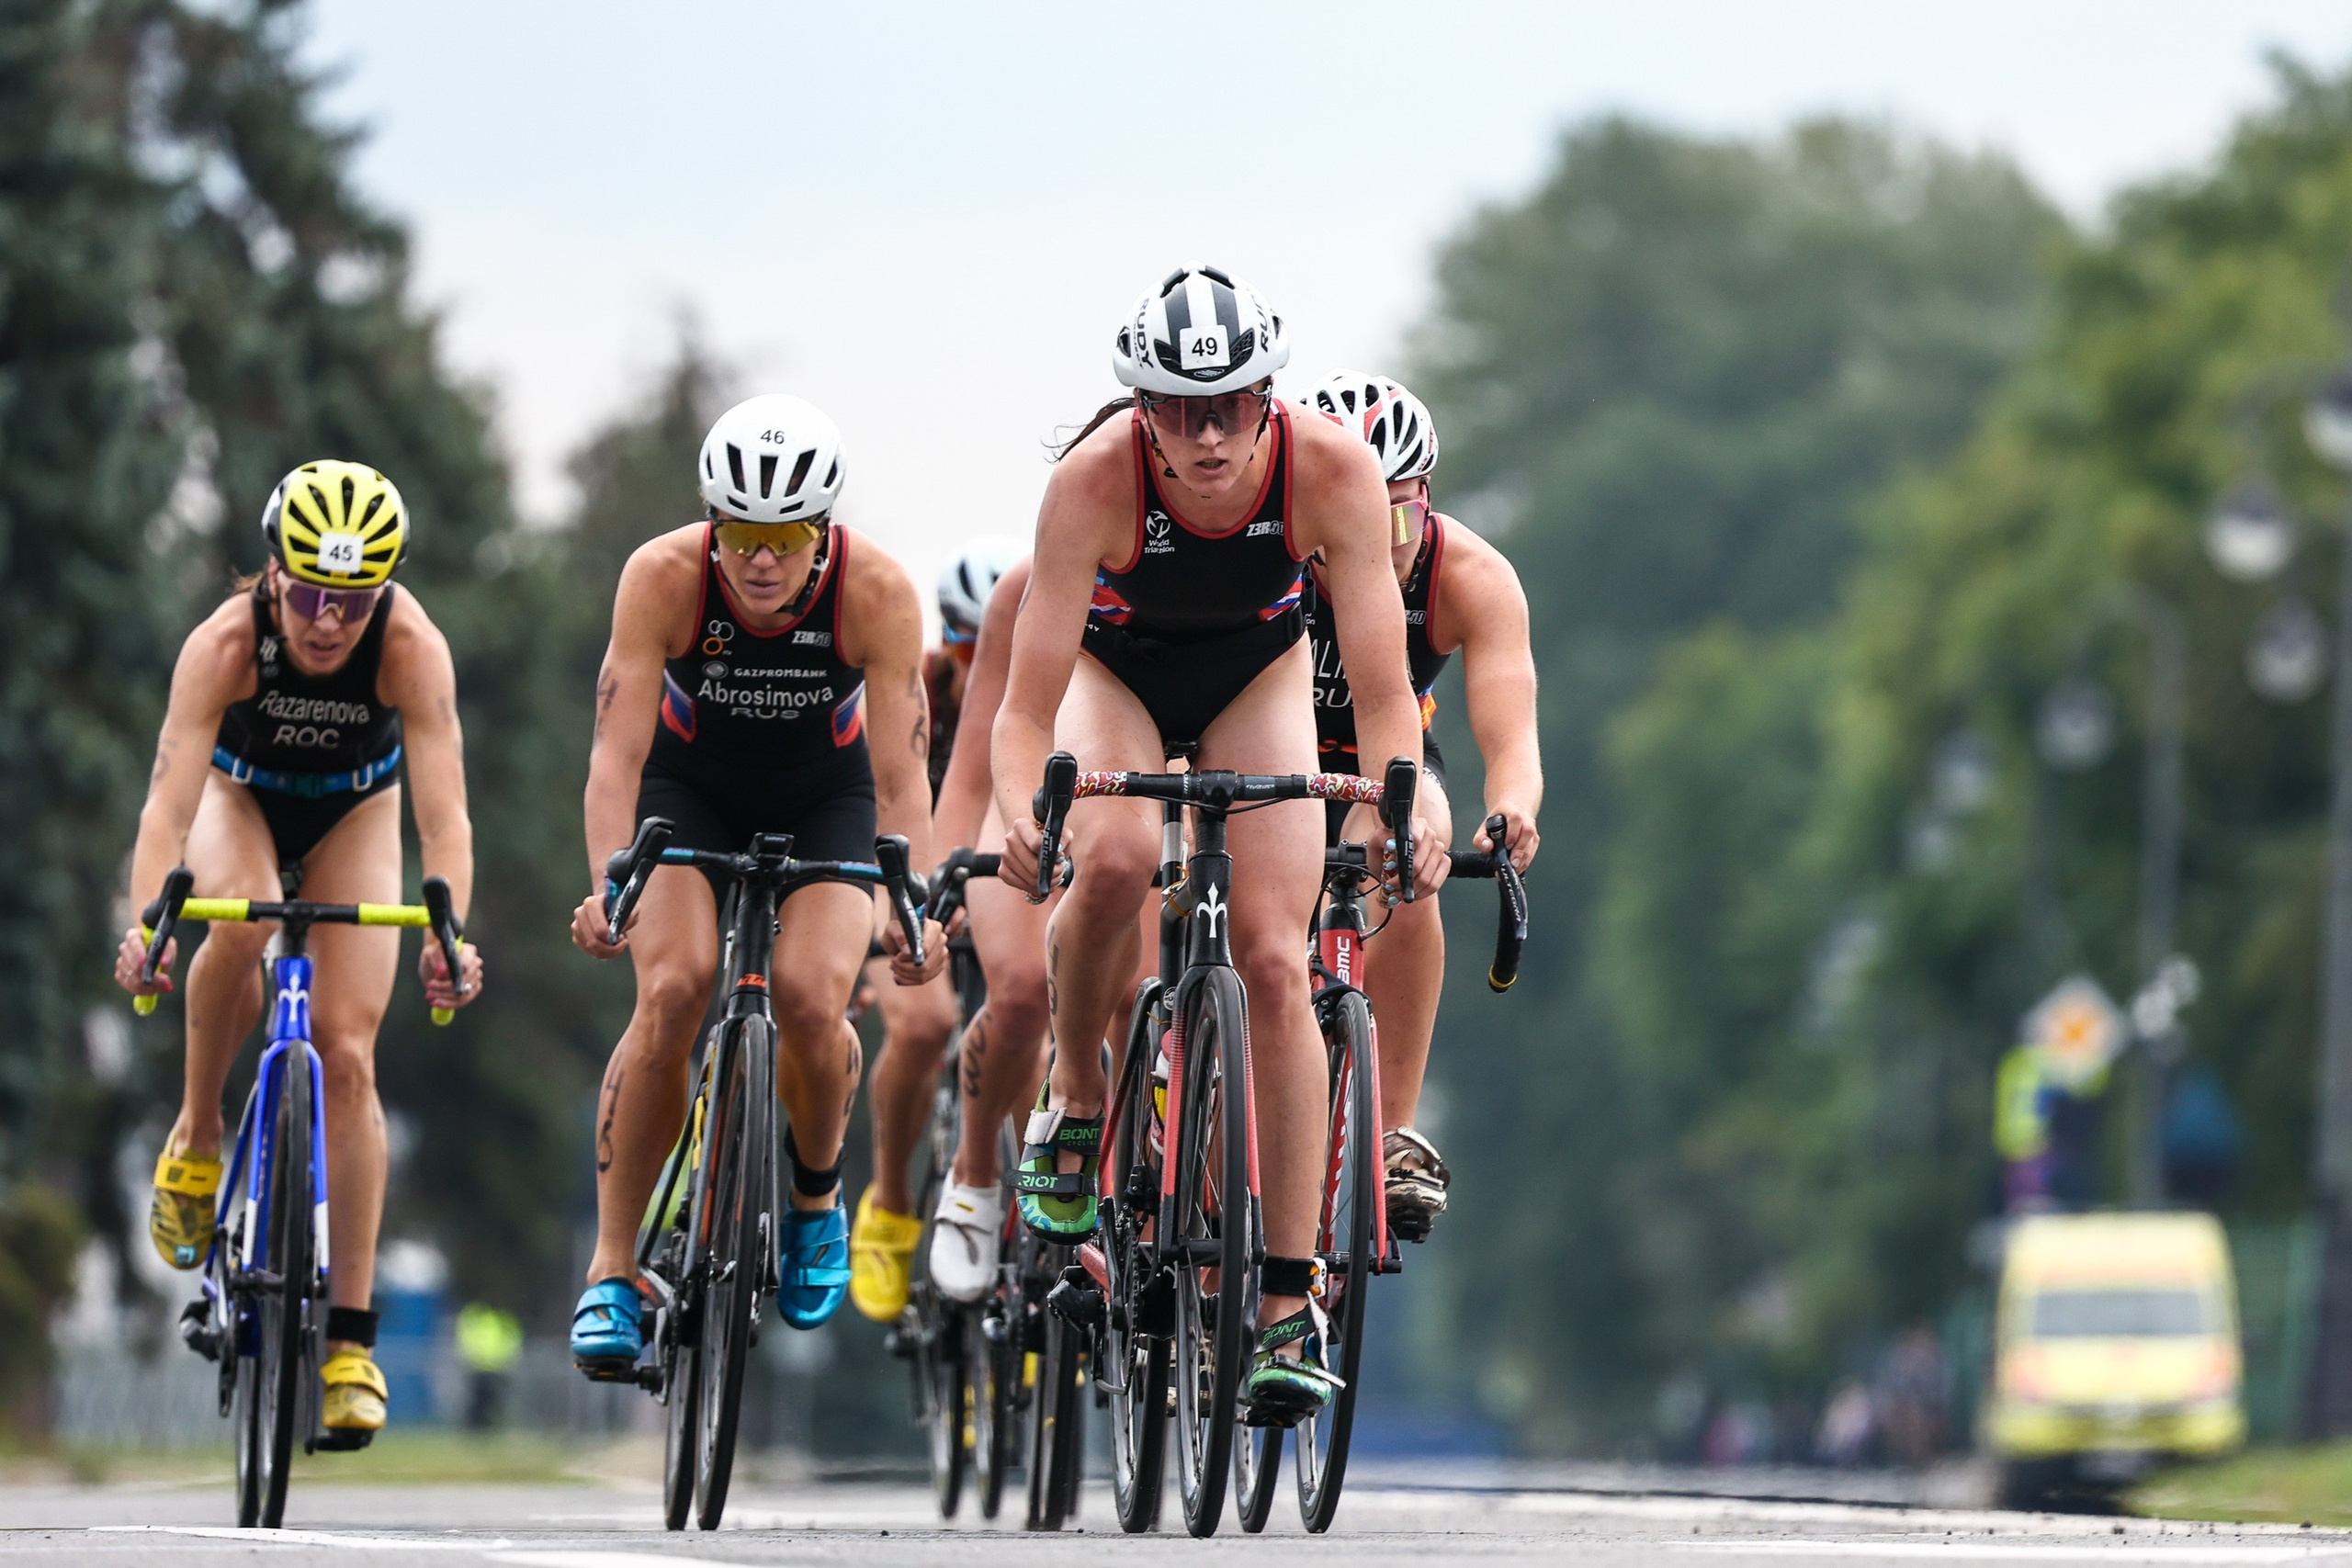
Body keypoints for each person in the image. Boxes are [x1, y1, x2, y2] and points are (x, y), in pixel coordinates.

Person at [993, 266, 1441, 1422]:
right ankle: (1082, 1096)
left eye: (1232, 405)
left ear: (1268, 398)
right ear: (1142, 409)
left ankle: (1286, 1309)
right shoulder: (1091, 481)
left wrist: (1412, 803)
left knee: (1279, 962)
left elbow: (1387, 698)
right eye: (1180, 411)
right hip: (1118, 674)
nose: (1206, 435)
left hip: (1256, 673)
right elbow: (1022, 708)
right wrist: (1013, 811)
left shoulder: (1331, 468)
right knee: (1117, 859)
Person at [568, 393, 944, 1372]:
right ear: (711, 522)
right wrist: (611, 883)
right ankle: (614, 1271)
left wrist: (916, 905)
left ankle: (815, 1199)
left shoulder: (878, 593)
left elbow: (905, 776)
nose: (762, 560)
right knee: (675, 987)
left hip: (826, 796)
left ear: (822, 532)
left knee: (816, 998)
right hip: (685, 795)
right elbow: (615, 757)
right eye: (740, 533)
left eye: (785, 536)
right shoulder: (662, 578)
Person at [115, 460, 485, 1439]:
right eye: (311, 594)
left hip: (355, 810)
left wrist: (451, 936)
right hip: (240, 796)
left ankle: (350, 1344)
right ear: (274, 575)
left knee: (350, 1052)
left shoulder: (410, 647)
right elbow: (167, 799)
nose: (328, 622)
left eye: (353, 601)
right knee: (233, 915)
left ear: (383, 592)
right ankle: (197, 1139)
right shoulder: (225, 645)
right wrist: (147, 923)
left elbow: (446, 822)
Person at [1301, 370, 1541, 1241]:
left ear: (1426, 498)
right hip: (1263, 752)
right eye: (1355, 517)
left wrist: (1510, 810)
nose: (1378, 541)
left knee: (1413, 854)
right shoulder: (1275, 556)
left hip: (1387, 755)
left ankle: (1390, 1128)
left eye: (1398, 514)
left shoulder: (1471, 574)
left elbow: (1512, 736)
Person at [848, 535, 1023, 1323]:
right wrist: (859, 940)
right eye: (962, 643)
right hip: (908, 884)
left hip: (1000, 883)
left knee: (1035, 1026)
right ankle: (889, 1205)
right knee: (924, 1025)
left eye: (992, 647)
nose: (974, 660)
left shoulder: (1040, 690)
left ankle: (1031, 1239)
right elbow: (861, 805)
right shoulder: (913, 683)